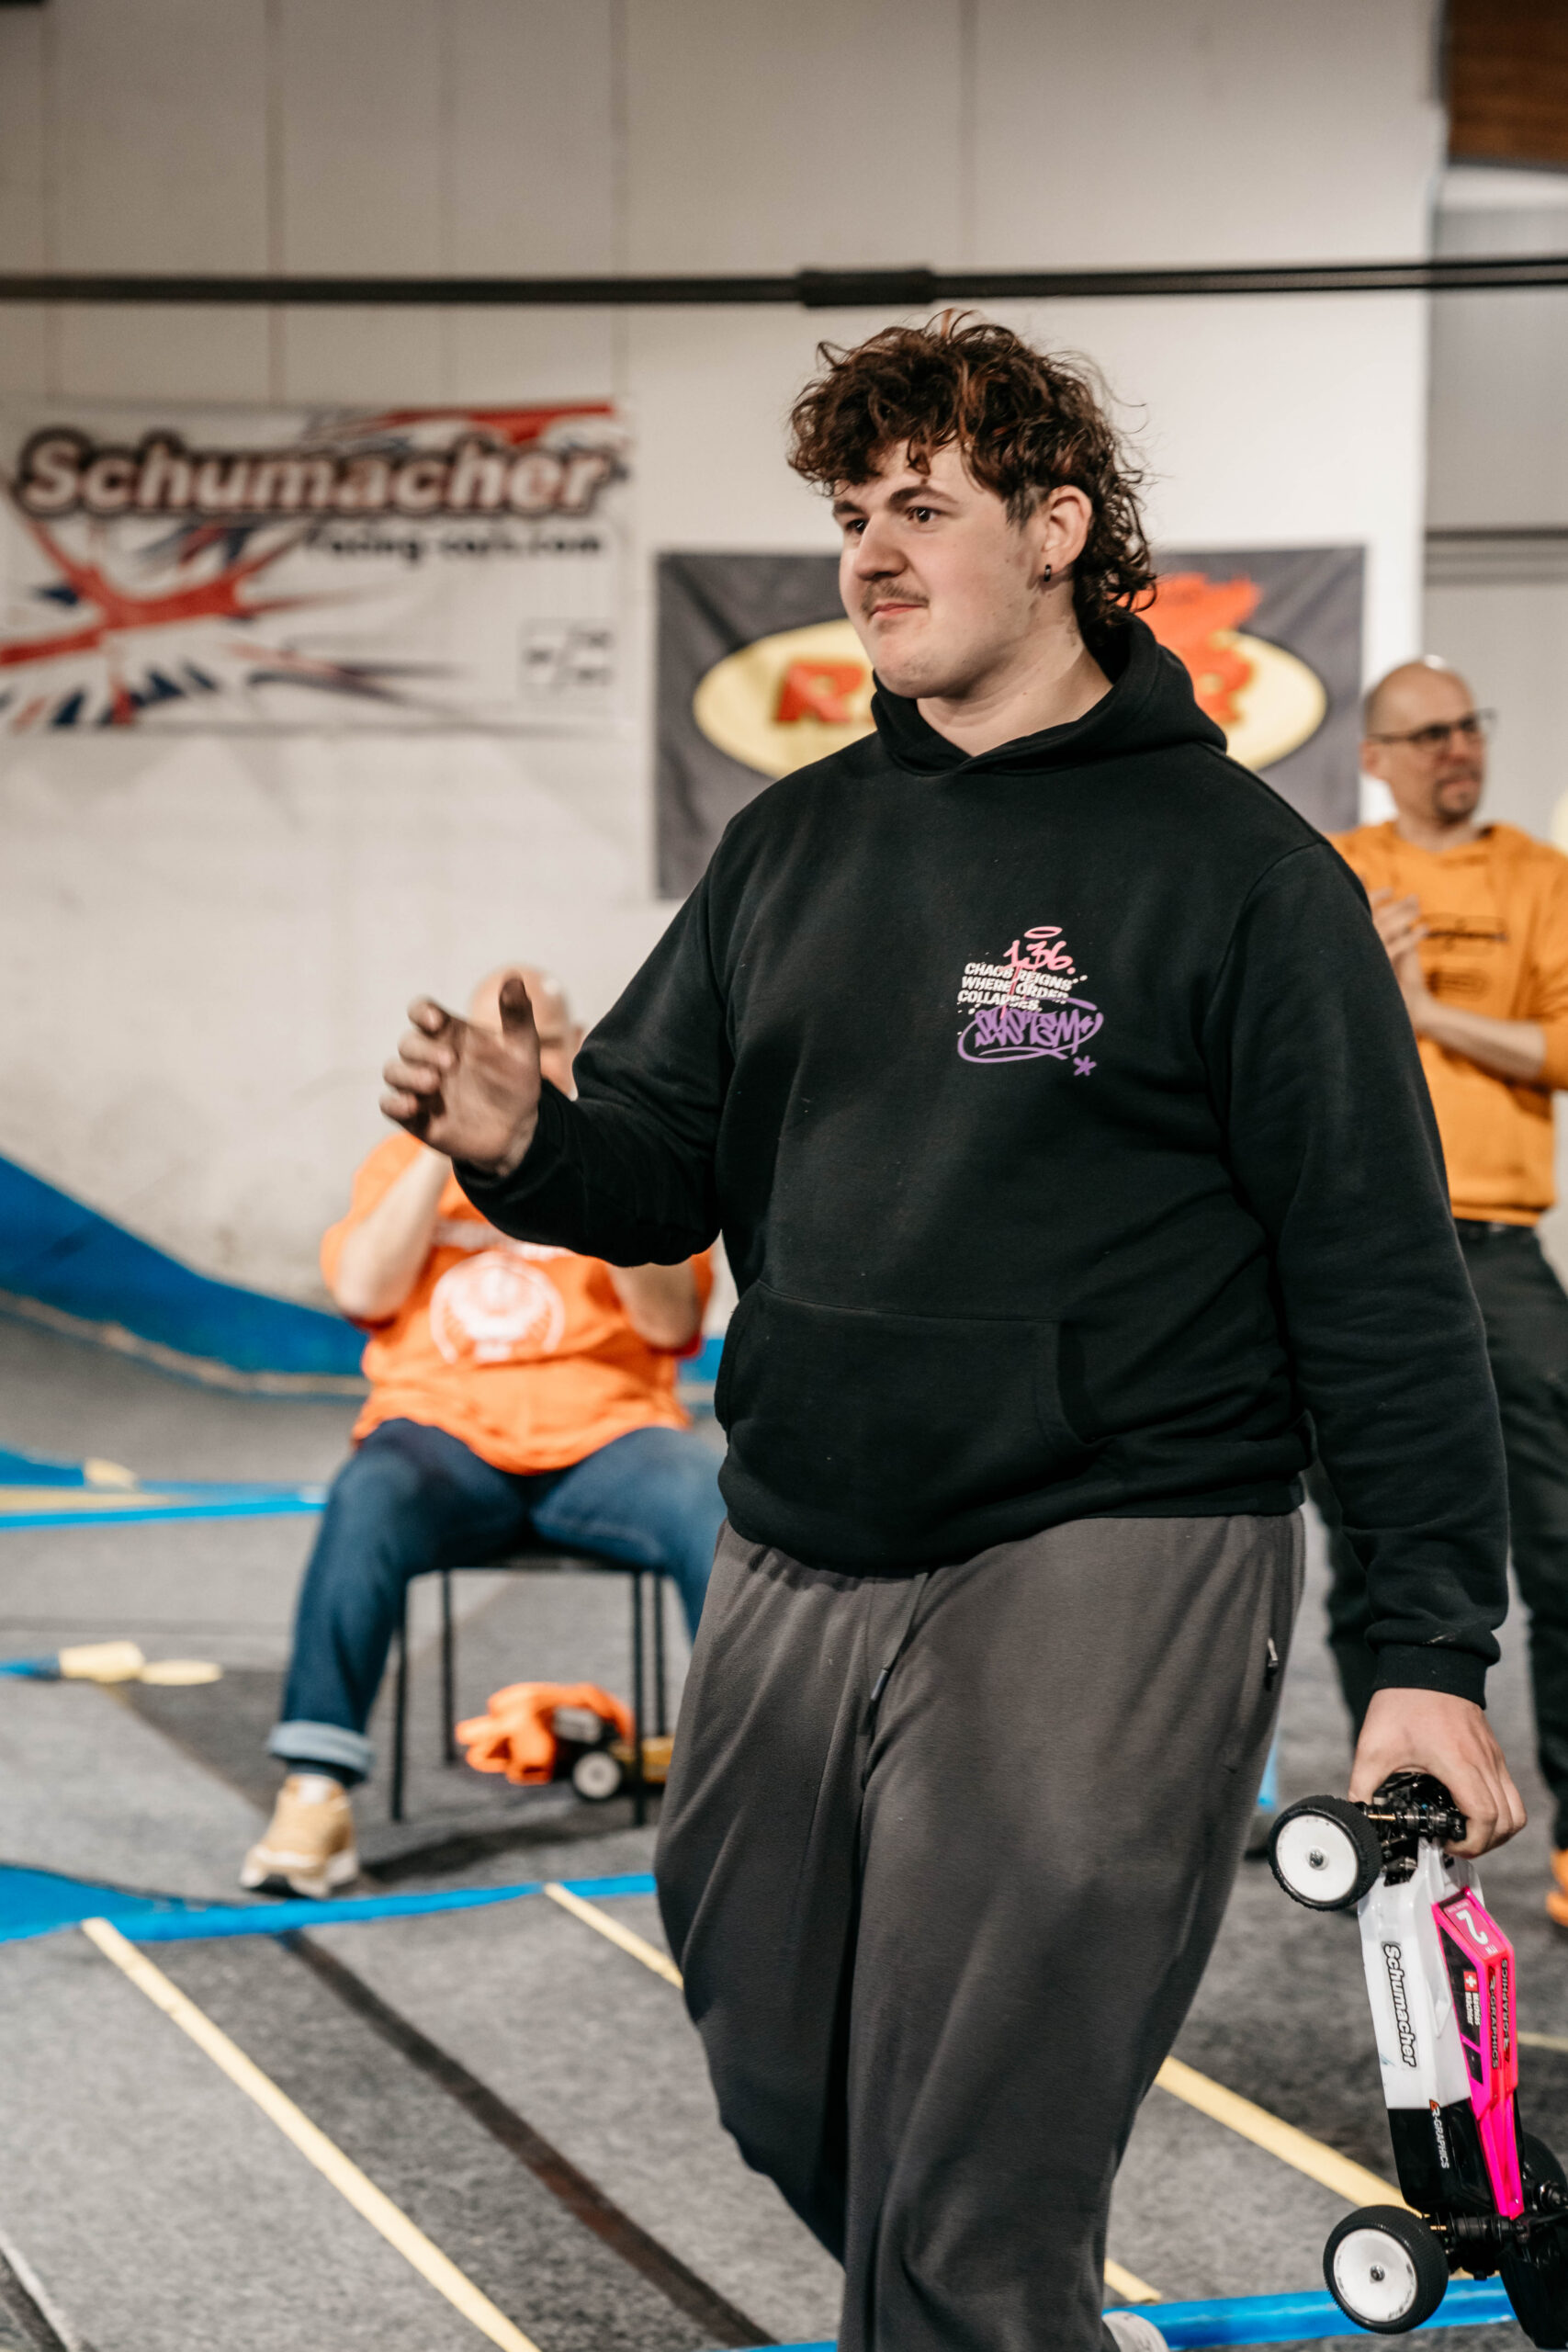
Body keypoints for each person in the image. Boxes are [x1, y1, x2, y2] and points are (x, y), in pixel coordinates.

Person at [379, 320, 1523, 2352]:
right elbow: (655, 1164)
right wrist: (525, 1143)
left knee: (976, 2173)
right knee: (780, 2058)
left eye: (920, 506)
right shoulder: (792, 844)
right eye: (849, 516)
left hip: (1114, 1538)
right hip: (801, 1532)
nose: (869, 555)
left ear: (1057, 528)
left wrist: (1425, 1652)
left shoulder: (1240, 875)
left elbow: (1373, 1276)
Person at [242, 964, 723, 1901]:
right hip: (444, 1435)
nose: (517, 1061)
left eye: (540, 1042)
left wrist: (584, 1161)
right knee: (367, 1494)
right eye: (494, 1045)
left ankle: (766, 1785)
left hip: (607, 1437)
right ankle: (315, 1790)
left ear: (575, 1050)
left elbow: (670, 1323)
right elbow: (363, 1290)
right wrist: (447, 1144)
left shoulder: (632, 1160)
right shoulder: (400, 1167)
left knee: (713, 1503)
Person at [1319, 658, 1568, 1923]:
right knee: (1362, 1557)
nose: (1453, 749)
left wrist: (1422, 1005)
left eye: (1466, 726)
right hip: (1356, 1254)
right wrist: (1368, 986)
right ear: (1376, 757)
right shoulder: (1331, 872)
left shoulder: (1537, 879)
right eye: (1424, 735)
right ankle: (1397, 1813)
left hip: (1498, 1250)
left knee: (1562, 1544)